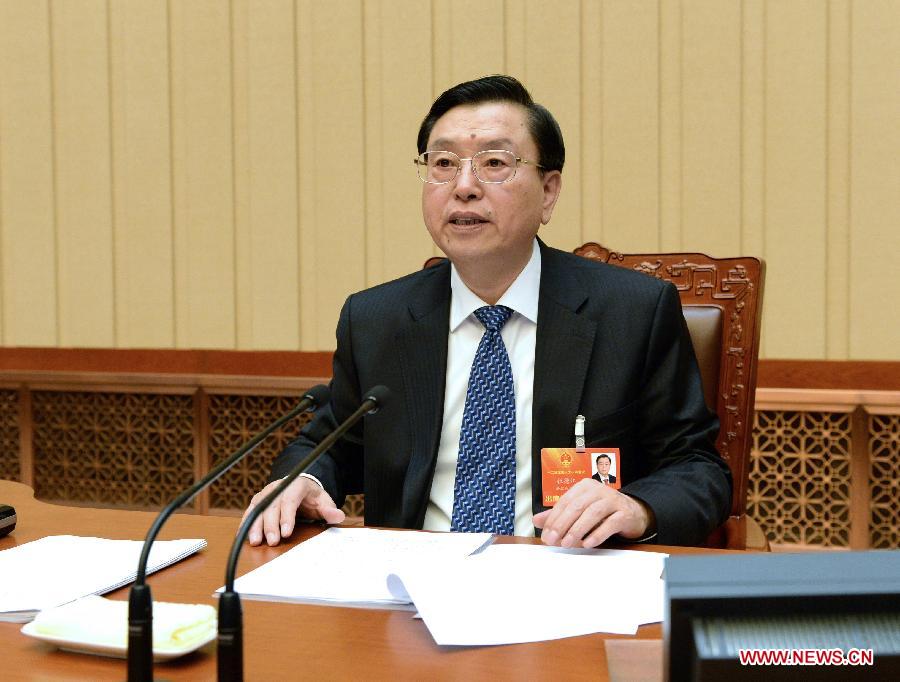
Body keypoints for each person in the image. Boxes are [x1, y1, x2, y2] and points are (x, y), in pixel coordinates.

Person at [243, 75, 731, 549]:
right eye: (443, 164)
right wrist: (302, 480)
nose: (464, 186)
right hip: (409, 587)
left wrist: (637, 508)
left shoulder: (631, 313)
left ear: (549, 191)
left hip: (565, 578)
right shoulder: (377, 319)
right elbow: (331, 445)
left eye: (494, 162)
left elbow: (697, 468)